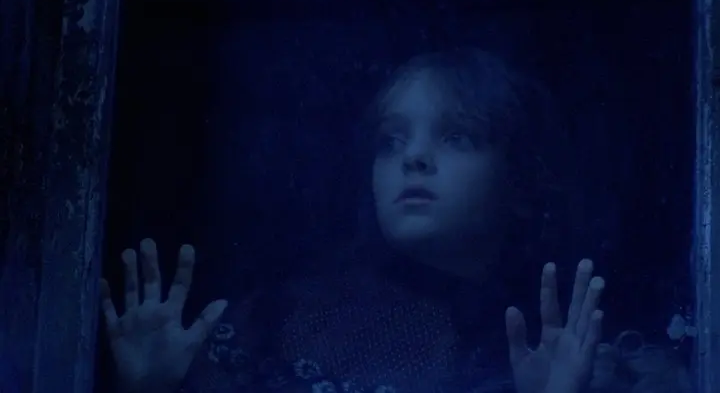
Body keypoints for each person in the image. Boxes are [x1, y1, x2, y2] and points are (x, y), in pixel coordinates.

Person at [100, 48, 689, 393]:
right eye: (390, 141)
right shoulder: (283, 320)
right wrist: (152, 388)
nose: (414, 157)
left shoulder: (557, 343)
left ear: (522, 184)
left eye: (458, 136)